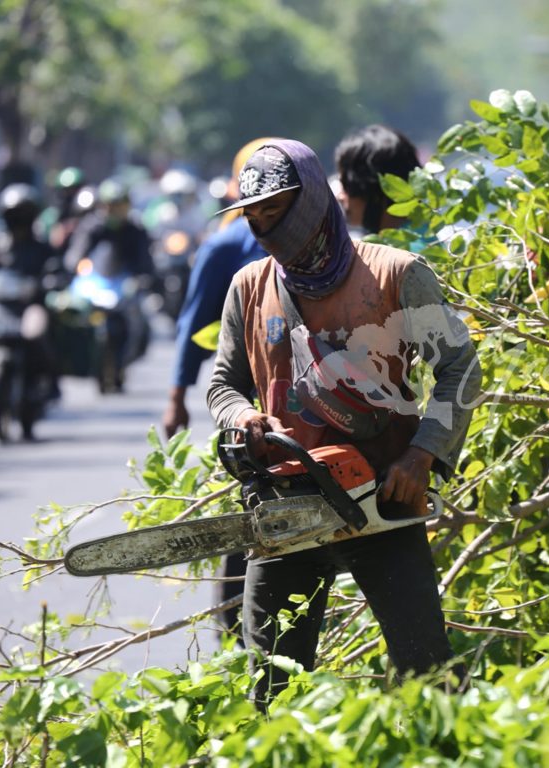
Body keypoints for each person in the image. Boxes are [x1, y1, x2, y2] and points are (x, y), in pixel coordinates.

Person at [206, 139, 480, 704]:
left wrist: (423, 453)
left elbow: (460, 368)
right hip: (286, 506)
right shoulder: (248, 287)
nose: (263, 226)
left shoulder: (396, 274)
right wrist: (241, 415)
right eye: (252, 215)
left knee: (428, 676)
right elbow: (222, 384)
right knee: (272, 687)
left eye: (274, 211)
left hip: (383, 501)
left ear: (309, 200)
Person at [162, 138, 273, 439]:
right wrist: (177, 397)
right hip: (245, 402)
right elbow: (195, 320)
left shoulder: (318, 239)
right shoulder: (224, 246)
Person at [0, 184, 62, 417]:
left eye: (23, 215)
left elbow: (57, 269)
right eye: (14, 215)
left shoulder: (41, 248)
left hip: (30, 307)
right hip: (0, 306)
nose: (19, 221)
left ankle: (50, 384)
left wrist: (52, 280)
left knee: (39, 336)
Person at [333, 124, 421, 237]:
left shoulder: (405, 246)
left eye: (346, 185)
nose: (339, 196)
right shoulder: (426, 235)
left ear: (372, 189)